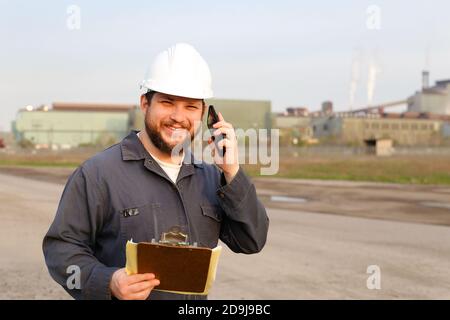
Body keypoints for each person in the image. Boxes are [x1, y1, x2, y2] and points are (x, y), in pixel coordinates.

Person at [42, 43, 269, 300]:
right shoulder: (98, 173)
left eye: (190, 106)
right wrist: (108, 281)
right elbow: (61, 249)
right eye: (167, 102)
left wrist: (233, 174)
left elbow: (252, 241)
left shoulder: (212, 178)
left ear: (205, 114)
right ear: (144, 103)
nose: (178, 116)